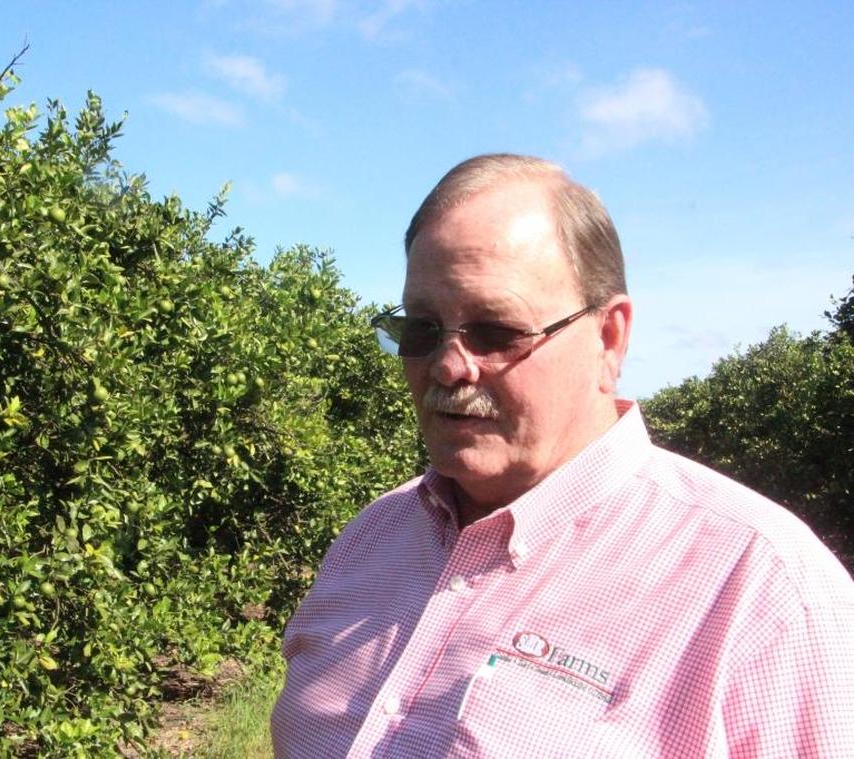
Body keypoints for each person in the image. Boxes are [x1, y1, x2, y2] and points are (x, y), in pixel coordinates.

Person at [270, 153, 854, 757]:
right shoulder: (374, 535)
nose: (447, 366)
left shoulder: (763, 591)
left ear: (609, 338)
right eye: (420, 329)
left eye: (495, 331)